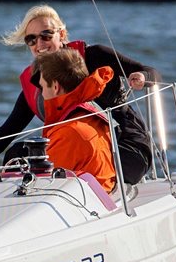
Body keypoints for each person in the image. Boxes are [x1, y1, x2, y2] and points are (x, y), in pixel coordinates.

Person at [0, 4, 159, 185]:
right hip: (77, 151)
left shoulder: (95, 56)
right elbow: (3, 136)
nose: (39, 44)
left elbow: (151, 71)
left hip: (126, 149)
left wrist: (141, 76)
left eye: (46, 35)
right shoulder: (37, 86)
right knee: (16, 155)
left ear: (61, 34)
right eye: (31, 39)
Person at [35, 49, 117, 192]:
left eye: (42, 86)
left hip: (84, 206)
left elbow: (42, 185)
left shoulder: (69, 132)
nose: (41, 93)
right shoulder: (88, 114)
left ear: (55, 87)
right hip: (98, 196)